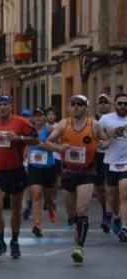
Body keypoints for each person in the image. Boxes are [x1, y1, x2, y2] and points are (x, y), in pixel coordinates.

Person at [43, 94, 110, 263]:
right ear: (69, 107)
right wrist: (59, 147)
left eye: (80, 104)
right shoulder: (63, 124)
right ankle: (78, 230)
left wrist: (103, 144)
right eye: (73, 104)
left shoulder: (93, 125)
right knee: (73, 214)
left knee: (82, 209)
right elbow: (47, 143)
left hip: (87, 171)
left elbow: (104, 140)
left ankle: (79, 247)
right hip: (68, 172)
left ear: (86, 108)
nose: (76, 107)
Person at [0, 95, 37, 259]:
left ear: (11, 106)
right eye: (0, 104)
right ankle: (0, 242)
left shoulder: (21, 123)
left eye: (6, 104)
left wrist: (19, 138)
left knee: (15, 209)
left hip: (16, 170)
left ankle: (14, 241)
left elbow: (37, 139)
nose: (3, 107)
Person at [98, 92, 127, 242]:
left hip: (126, 163)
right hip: (111, 162)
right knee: (113, 197)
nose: (123, 106)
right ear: (115, 105)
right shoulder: (105, 119)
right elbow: (99, 140)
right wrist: (112, 134)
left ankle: (124, 227)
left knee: (125, 195)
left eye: (125, 104)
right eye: (120, 103)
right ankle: (115, 216)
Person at [25, 109, 59, 237]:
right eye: (35, 116)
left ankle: (50, 208)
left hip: (48, 166)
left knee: (48, 196)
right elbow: (24, 142)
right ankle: (37, 223)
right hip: (34, 166)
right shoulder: (29, 130)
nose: (38, 118)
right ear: (32, 118)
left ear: (44, 118)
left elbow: (58, 145)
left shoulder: (50, 130)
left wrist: (47, 145)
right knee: (36, 194)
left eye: (40, 116)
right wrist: (25, 150)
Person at [95, 93, 113, 232]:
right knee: (100, 188)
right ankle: (105, 210)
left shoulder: (115, 119)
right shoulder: (93, 121)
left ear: (110, 104)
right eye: (101, 102)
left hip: (112, 156)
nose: (103, 105)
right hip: (97, 156)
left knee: (110, 188)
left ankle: (109, 215)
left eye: (106, 102)